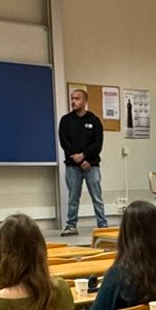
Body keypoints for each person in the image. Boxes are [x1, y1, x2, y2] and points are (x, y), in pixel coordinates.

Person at [58, 87, 107, 235]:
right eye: (72, 98)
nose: (73, 101)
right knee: (73, 197)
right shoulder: (66, 120)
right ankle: (71, 225)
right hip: (73, 166)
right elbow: (65, 143)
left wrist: (85, 157)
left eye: (77, 98)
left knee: (97, 196)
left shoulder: (94, 121)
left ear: (85, 101)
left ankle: (102, 224)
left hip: (92, 165)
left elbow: (97, 144)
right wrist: (79, 160)